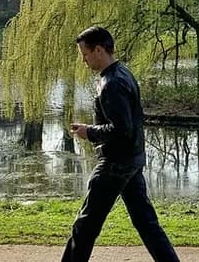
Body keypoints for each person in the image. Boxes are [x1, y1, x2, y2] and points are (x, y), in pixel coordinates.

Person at [63, 26, 180, 262]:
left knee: (86, 224)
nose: (83, 60)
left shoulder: (111, 84)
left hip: (115, 163)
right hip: (132, 159)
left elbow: (121, 129)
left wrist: (90, 132)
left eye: (85, 54)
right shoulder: (123, 73)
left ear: (98, 50)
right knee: (146, 222)